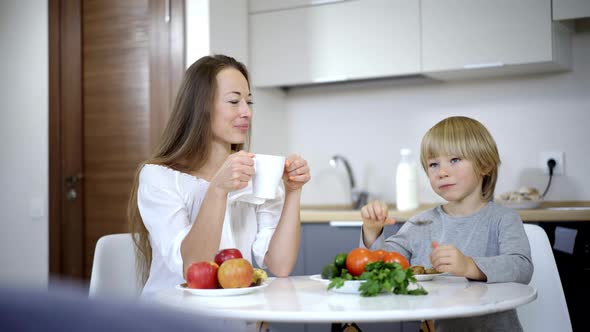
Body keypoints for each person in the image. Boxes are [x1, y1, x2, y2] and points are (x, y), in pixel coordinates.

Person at [127, 54, 311, 299]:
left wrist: (293, 191)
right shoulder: (158, 177)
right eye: (234, 101)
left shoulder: (256, 175)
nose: (246, 112)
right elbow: (192, 267)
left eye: (249, 102)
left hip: (235, 315)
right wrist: (217, 190)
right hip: (174, 318)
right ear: (200, 107)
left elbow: (279, 264)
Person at [360, 116, 533, 332]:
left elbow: (522, 267)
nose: (442, 172)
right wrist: (372, 231)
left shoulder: (503, 220)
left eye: (455, 160)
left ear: (485, 165)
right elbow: (381, 266)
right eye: (433, 164)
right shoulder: (421, 223)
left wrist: (470, 266)